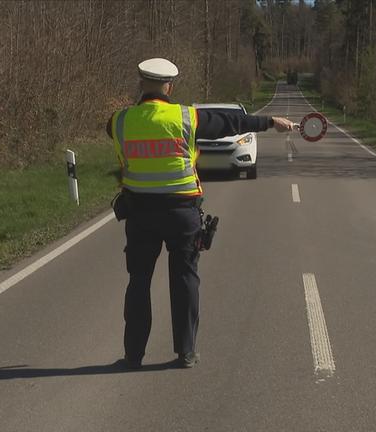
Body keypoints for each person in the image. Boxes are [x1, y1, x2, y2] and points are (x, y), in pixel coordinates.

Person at [106, 58, 295, 369]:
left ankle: (133, 356)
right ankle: (186, 352)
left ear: (141, 84)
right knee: (184, 279)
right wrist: (270, 121)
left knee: (138, 282)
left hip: (140, 214)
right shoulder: (186, 118)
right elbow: (230, 122)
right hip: (182, 214)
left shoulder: (119, 121)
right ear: (170, 86)